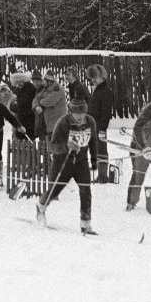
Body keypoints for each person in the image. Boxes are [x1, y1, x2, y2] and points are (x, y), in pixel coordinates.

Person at [35, 97, 99, 235]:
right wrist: (66, 146)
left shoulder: (90, 122)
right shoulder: (63, 123)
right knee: (54, 191)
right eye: (77, 113)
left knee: (86, 191)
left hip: (81, 162)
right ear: (71, 112)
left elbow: (93, 141)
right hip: (62, 162)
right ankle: (40, 207)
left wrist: (94, 160)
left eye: (82, 113)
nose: (80, 116)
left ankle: (85, 224)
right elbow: (53, 146)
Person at [86, 63, 113, 183]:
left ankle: (102, 176)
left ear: (102, 77)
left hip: (99, 125)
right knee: (95, 149)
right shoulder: (97, 90)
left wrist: (102, 129)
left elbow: (106, 113)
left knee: (101, 150)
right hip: (93, 124)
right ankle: (98, 171)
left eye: (95, 78)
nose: (93, 81)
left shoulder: (105, 92)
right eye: (92, 78)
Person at [32, 70, 67, 144]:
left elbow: (49, 102)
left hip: (58, 124)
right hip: (49, 125)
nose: (47, 83)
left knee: (58, 147)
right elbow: (35, 99)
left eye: (49, 81)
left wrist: (40, 101)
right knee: (49, 147)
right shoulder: (46, 89)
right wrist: (36, 106)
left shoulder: (58, 89)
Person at [11, 71, 37, 140]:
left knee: (29, 138)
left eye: (20, 82)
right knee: (20, 138)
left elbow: (25, 103)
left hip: (30, 118)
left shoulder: (31, 88)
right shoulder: (18, 89)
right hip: (21, 118)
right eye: (17, 82)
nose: (18, 84)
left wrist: (16, 106)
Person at [30, 70, 46, 139]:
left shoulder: (45, 89)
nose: (35, 83)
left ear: (41, 81)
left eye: (37, 81)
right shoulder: (37, 90)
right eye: (33, 82)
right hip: (40, 122)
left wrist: (36, 105)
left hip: (45, 122)